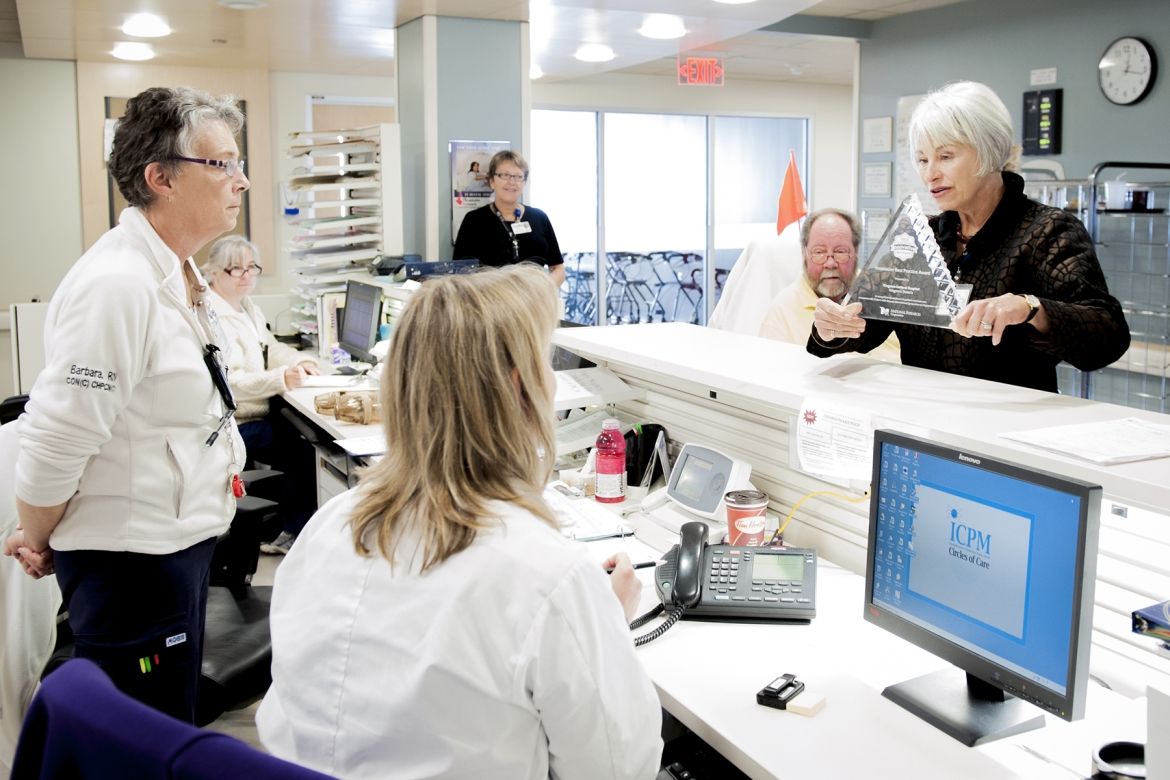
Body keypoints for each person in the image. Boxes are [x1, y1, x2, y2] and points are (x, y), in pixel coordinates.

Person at [257, 264, 663, 779]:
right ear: (520, 388)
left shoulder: (331, 527)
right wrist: (607, 629)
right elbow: (618, 770)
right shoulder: (545, 574)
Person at [3, 86, 249, 722]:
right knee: (141, 734)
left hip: (174, 547)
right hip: (134, 563)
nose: (240, 180)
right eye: (221, 163)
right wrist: (38, 535)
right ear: (160, 177)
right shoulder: (119, 285)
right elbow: (57, 435)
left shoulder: (175, 271)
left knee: (165, 722)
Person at [808, 81, 1129, 392]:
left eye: (945, 156)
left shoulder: (1047, 231)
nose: (929, 173)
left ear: (989, 150)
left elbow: (1107, 335)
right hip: (922, 423)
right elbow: (864, 326)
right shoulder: (923, 237)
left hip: (1006, 430)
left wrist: (1030, 308)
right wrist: (832, 327)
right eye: (922, 160)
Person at [202, 235, 319, 555]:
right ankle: (291, 532)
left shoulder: (245, 307)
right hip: (236, 422)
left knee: (300, 437)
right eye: (235, 269)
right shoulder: (213, 315)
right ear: (214, 272)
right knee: (302, 448)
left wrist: (299, 361)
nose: (247, 275)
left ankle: (295, 527)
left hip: (256, 411)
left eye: (251, 267)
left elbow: (272, 348)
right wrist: (281, 378)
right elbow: (232, 382)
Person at [759, 208, 899, 361]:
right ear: (804, 254)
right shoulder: (781, 311)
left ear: (856, 251)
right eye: (819, 252)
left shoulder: (885, 292)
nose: (830, 263)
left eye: (840, 252)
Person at [453, 150, 566, 287]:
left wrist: (542, 289)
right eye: (505, 175)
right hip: (490, 304)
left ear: (524, 183)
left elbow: (558, 268)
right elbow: (459, 273)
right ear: (492, 181)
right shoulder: (474, 220)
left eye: (518, 176)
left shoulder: (539, 218)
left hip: (533, 304)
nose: (512, 182)